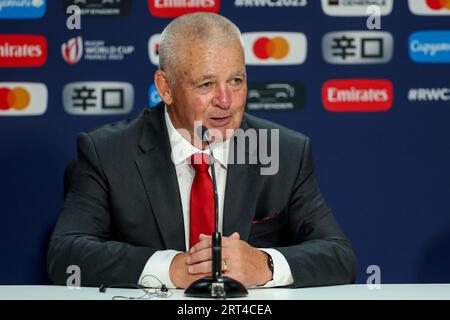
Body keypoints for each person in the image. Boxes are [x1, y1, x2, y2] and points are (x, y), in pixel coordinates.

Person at [47, 13, 357, 289]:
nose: (226, 100)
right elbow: (65, 255)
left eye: (236, 81)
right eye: (206, 84)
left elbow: (339, 255)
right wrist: (171, 268)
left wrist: (264, 264)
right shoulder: (108, 152)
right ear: (165, 88)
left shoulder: (284, 152)